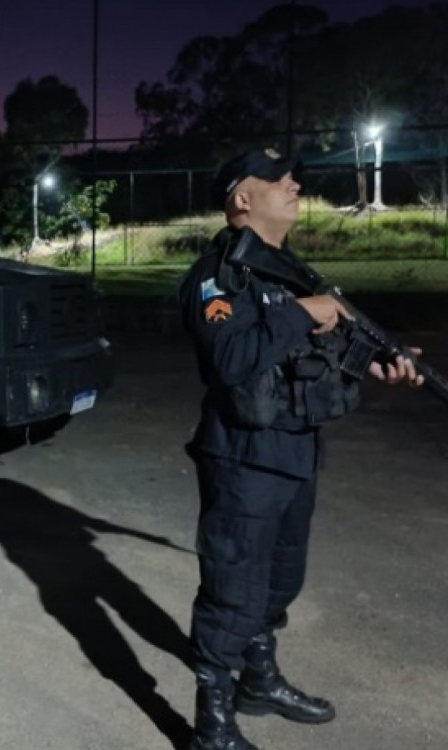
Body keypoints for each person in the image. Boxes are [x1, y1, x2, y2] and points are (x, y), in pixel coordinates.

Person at [177, 148, 425, 750]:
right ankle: (211, 727)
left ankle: (258, 682)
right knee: (232, 587)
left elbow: (323, 346)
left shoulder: (287, 269)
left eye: (291, 177)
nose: (293, 183)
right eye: (276, 178)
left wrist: (381, 363)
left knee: (281, 581)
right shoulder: (216, 277)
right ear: (242, 199)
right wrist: (298, 313)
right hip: (244, 455)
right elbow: (233, 359)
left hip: (296, 451)